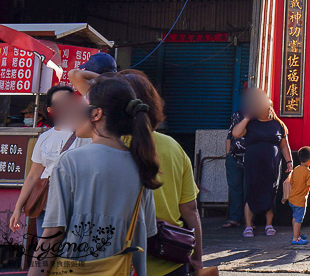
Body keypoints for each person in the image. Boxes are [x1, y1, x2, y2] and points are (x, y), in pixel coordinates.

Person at [30, 75, 159, 276]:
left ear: (97, 114)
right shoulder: (142, 164)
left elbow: (52, 235)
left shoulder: (70, 161)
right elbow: (144, 233)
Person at [119, 69, 204, 276]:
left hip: (119, 261)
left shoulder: (108, 147)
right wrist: (197, 256)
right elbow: (190, 210)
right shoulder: (173, 147)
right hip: (170, 258)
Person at [9, 85, 89, 234]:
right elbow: (33, 176)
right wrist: (17, 208)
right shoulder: (45, 137)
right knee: (45, 251)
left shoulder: (84, 134)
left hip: (73, 206)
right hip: (45, 205)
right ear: (51, 110)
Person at [232, 88, 293, 238]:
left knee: (270, 191)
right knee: (251, 190)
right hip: (253, 164)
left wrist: (289, 162)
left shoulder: (278, 125)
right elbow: (235, 133)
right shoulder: (250, 124)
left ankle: (268, 224)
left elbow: (284, 145)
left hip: (272, 164)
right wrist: (247, 118)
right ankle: (248, 226)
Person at [287, 146, 310, 246]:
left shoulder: (296, 169)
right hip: (300, 200)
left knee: (295, 217)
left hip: (292, 198)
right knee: (298, 219)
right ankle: (295, 238)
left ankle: (297, 234)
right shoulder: (308, 172)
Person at [222, 95, 248, 228]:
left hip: (251, 158)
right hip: (234, 157)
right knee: (235, 189)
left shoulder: (261, 118)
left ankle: (247, 220)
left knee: (248, 189)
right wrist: (228, 156)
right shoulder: (237, 115)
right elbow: (230, 135)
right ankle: (234, 218)